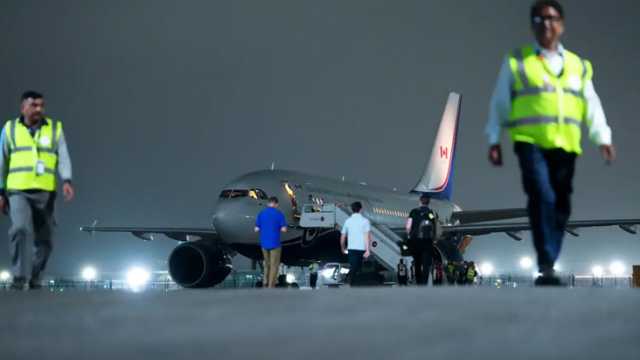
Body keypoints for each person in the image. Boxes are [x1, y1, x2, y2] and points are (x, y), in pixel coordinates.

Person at [484, 1, 615, 285]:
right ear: (532, 25)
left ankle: (549, 259)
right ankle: (546, 263)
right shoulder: (517, 62)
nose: (546, 24)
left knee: (560, 203)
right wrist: (494, 138)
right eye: (540, 19)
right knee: (541, 196)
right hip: (529, 142)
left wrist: (602, 137)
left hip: (566, 145)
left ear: (561, 24)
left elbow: (591, 104)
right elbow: (500, 103)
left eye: (551, 18)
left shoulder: (579, 66)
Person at [0, 91, 74, 290]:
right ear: (23, 107)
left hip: (45, 191)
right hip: (18, 189)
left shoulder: (54, 129)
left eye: (41, 105)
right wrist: (1, 191)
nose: (39, 109)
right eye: (34, 105)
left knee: (47, 238)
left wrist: (67, 180)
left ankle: (36, 278)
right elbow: (2, 161)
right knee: (19, 229)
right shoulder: (10, 129)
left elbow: (64, 157)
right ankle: (18, 277)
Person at [255, 196, 287, 288]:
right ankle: (271, 285)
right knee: (274, 264)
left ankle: (265, 281)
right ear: (276, 204)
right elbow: (284, 229)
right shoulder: (279, 214)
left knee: (267, 263)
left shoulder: (261, 214)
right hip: (275, 243)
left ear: (268, 203)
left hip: (264, 243)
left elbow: (256, 229)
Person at [405, 194, 436, 285]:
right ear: (428, 202)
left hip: (416, 241)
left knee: (417, 262)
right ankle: (424, 283)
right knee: (426, 264)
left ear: (420, 201)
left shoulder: (414, 212)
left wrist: (408, 236)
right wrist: (434, 238)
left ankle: (418, 283)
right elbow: (434, 225)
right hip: (427, 242)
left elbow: (408, 227)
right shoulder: (430, 213)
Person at [340, 201, 371, 287]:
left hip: (352, 249)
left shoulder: (347, 221)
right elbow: (367, 236)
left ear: (352, 210)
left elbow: (342, 237)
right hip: (362, 249)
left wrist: (343, 248)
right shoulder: (365, 221)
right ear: (360, 210)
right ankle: (355, 283)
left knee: (354, 266)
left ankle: (351, 282)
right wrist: (368, 250)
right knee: (359, 267)